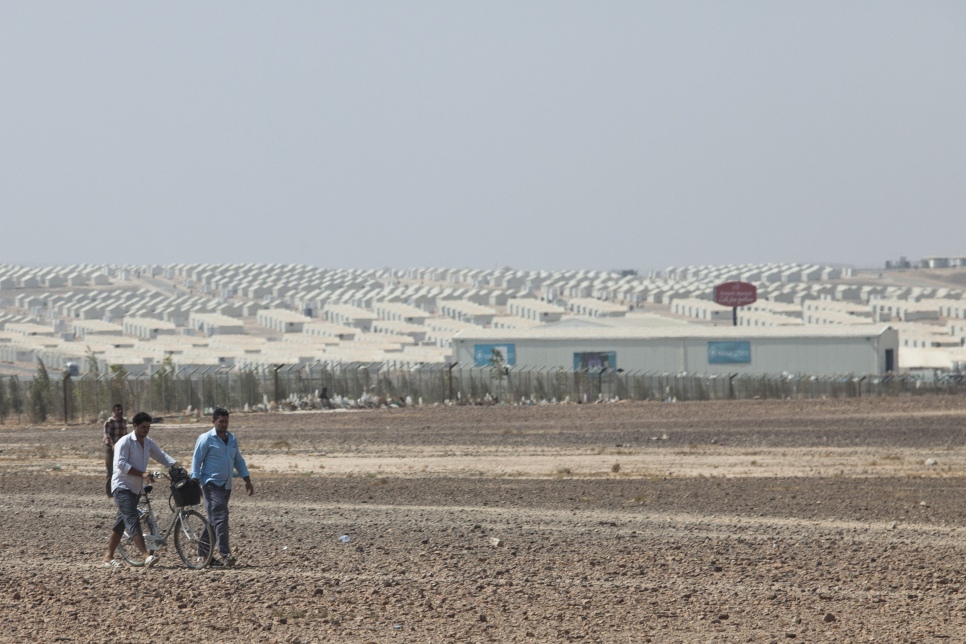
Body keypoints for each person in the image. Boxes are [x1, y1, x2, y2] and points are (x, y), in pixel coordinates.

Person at [102, 412, 180, 568]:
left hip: (136, 489)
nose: (146, 430)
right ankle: (146, 556)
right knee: (132, 519)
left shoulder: (148, 443)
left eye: (148, 427)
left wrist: (176, 466)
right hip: (121, 487)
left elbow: (161, 456)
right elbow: (121, 465)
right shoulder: (124, 442)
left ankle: (108, 557)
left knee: (121, 523)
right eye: (143, 427)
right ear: (135, 426)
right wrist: (142, 473)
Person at [191, 408, 253, 567]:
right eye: (221, 421)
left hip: (226, 485)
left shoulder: (232, 439)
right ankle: (225, 554)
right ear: (214, 422)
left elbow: (238, 460)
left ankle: (203, 554)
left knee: (214, 520)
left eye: (226, 421)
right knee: (221, 516)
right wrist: (195, 481)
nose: (224, 424)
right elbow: (196, 461)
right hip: (210, 484)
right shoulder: (206, 439)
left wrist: (246, 479)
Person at [102, 404, 128, 498]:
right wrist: (113, 445)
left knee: (121, 470)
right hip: (111, 449)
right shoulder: (110, 421)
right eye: (118, 410)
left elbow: (125, 435)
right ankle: (109, 493)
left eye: (121, 410)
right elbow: (107, 435)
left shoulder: (123, 421)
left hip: (122, 449)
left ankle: (120, 491)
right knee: (110, 471)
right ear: (114, 411)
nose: (120, 412)